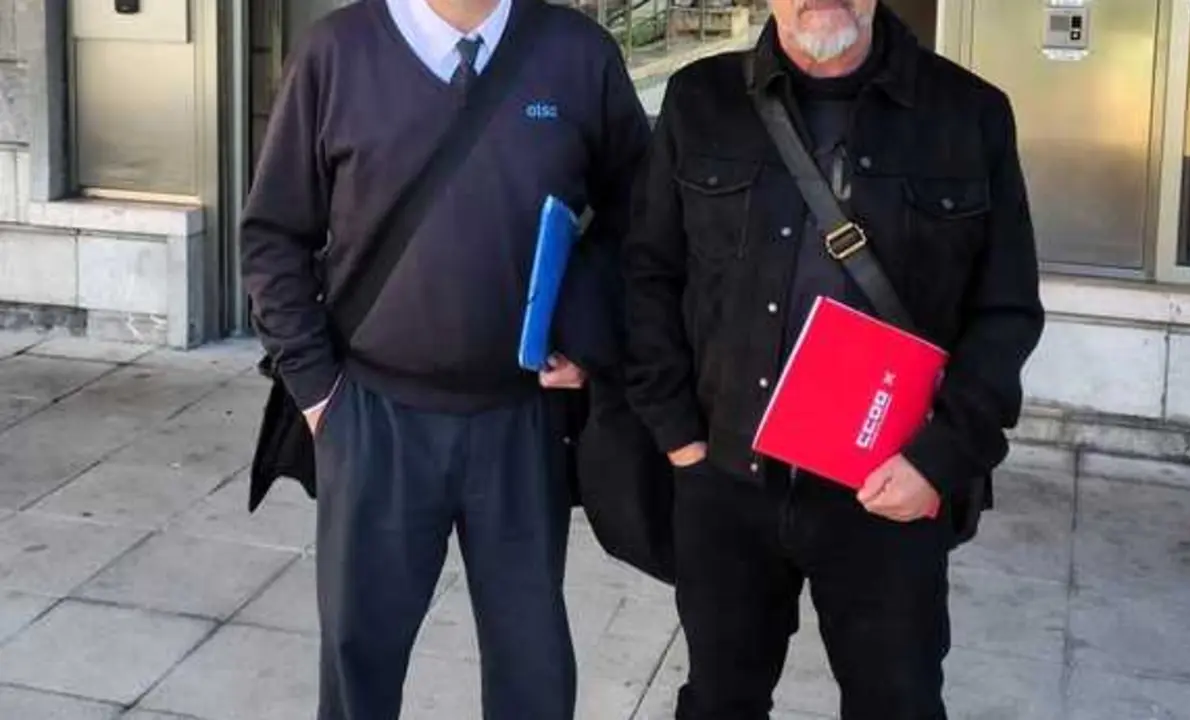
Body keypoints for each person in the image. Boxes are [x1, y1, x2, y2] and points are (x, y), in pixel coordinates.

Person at [622, 0, 1045, 717]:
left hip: (889, 485)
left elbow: (1005, 311)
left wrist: (939, 459)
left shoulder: (969, 114)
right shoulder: (700, 101)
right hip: (728, 477)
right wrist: (678, 436)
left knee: (897, 703)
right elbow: (648, 273)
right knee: (720, 700)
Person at [240, 0, 650, 717]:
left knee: (532, 667)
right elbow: (272, 236)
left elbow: (641, 219)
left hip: (522, 420)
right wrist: (317, 392)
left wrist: (588, 334)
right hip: (373, 419)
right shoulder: (334, 54)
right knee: (358, 662)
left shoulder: (579, 54)